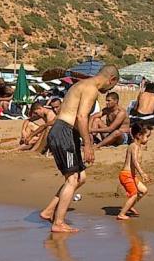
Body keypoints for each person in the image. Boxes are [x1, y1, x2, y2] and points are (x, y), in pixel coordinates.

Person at [38, 65, 120, 233]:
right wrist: (88, 145)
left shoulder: (81, 85)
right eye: (112, 86)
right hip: (64, 133)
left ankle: (48, 211)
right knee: (72, 179)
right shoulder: (91, 89)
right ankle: (58, 223)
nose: (110, 90)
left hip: (67, 133)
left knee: (80, 177)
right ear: (111, 80)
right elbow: (81, 117)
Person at [117, 122, 151, 220]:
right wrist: (142, 173)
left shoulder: (138, 146)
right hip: (126, 175)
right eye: (147, 136)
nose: (148, 139)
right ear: (139, 135)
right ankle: (121, 214)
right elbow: (135, 161)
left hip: (131, 175)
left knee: (144, 190)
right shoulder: (134, 146)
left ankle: (130, 205)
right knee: (134, 194)